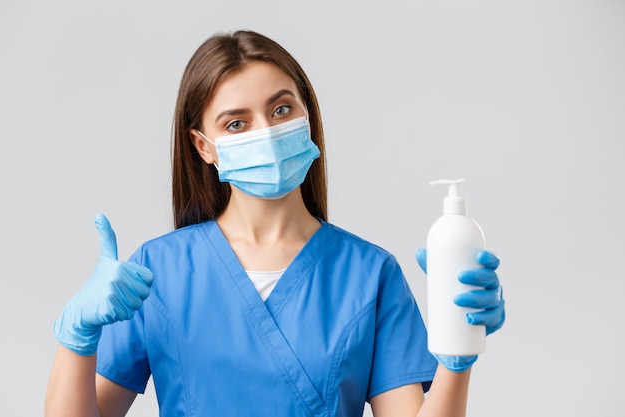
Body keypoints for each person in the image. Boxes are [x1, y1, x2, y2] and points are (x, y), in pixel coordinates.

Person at [45, 30, 505, 417]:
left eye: (281, 110)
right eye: (236, 124)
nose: (265, 132)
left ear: (307, 115)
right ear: (203, 146)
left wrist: (455, 360)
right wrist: (77, 339)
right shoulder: (158, 272)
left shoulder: (369, 274)